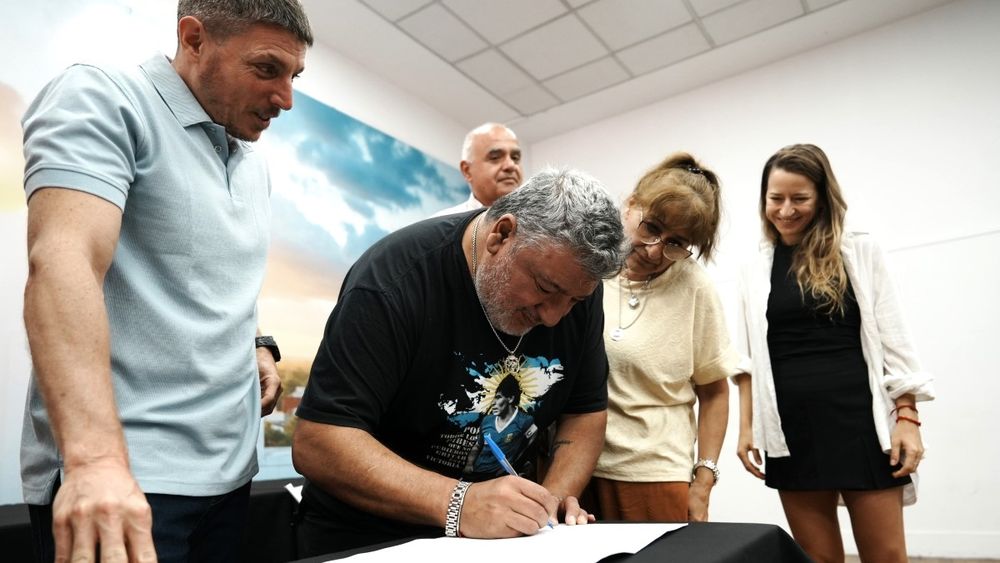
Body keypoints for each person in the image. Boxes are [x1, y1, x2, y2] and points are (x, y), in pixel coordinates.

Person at [19, 1, 312, 561]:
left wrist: (258, 344)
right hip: (128, 479)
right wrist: (94, 463)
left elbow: (208, 278)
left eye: (293, 76)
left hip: (228, 482)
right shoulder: (105, 96)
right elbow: (62, 261)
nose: (286, 98)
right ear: (194, 38)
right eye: (267, 69)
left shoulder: (253, 163)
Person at [292, 167, 626, 555]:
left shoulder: (573, 282)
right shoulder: (394, 279)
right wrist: (459, 502)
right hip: (368, 537)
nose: (553, 316)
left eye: (574, 301)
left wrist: (548, 502)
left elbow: (585, 412)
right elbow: (320, 441)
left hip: (493, 539)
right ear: (501, 235)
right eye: (544, 288)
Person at [734, 144, 935, 563]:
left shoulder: (858, 250)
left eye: (799, 198)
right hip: (791, 430)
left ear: (823, 198)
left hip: (858, 422)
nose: (786, 210)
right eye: (776, 198)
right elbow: (748, 357)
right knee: (817, 559)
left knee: (886, 556)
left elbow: (896, 342)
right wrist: (747, 426)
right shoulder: (755, 267)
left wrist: (908, 418)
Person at [589, 153, 748, 522]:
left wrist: (703, 483)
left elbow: (715, 391)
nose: (655, 250)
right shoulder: (589, 270)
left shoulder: (694, 287)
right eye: (651, 228)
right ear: (629, 206)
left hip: (655, 477)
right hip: (578, 469)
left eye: (677, 243)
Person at [433, 122, 522, 216]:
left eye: (515, 158)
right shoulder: (441, 226)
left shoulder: (537, 223)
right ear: (467, 170)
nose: (511, 165)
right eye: (495, 157)